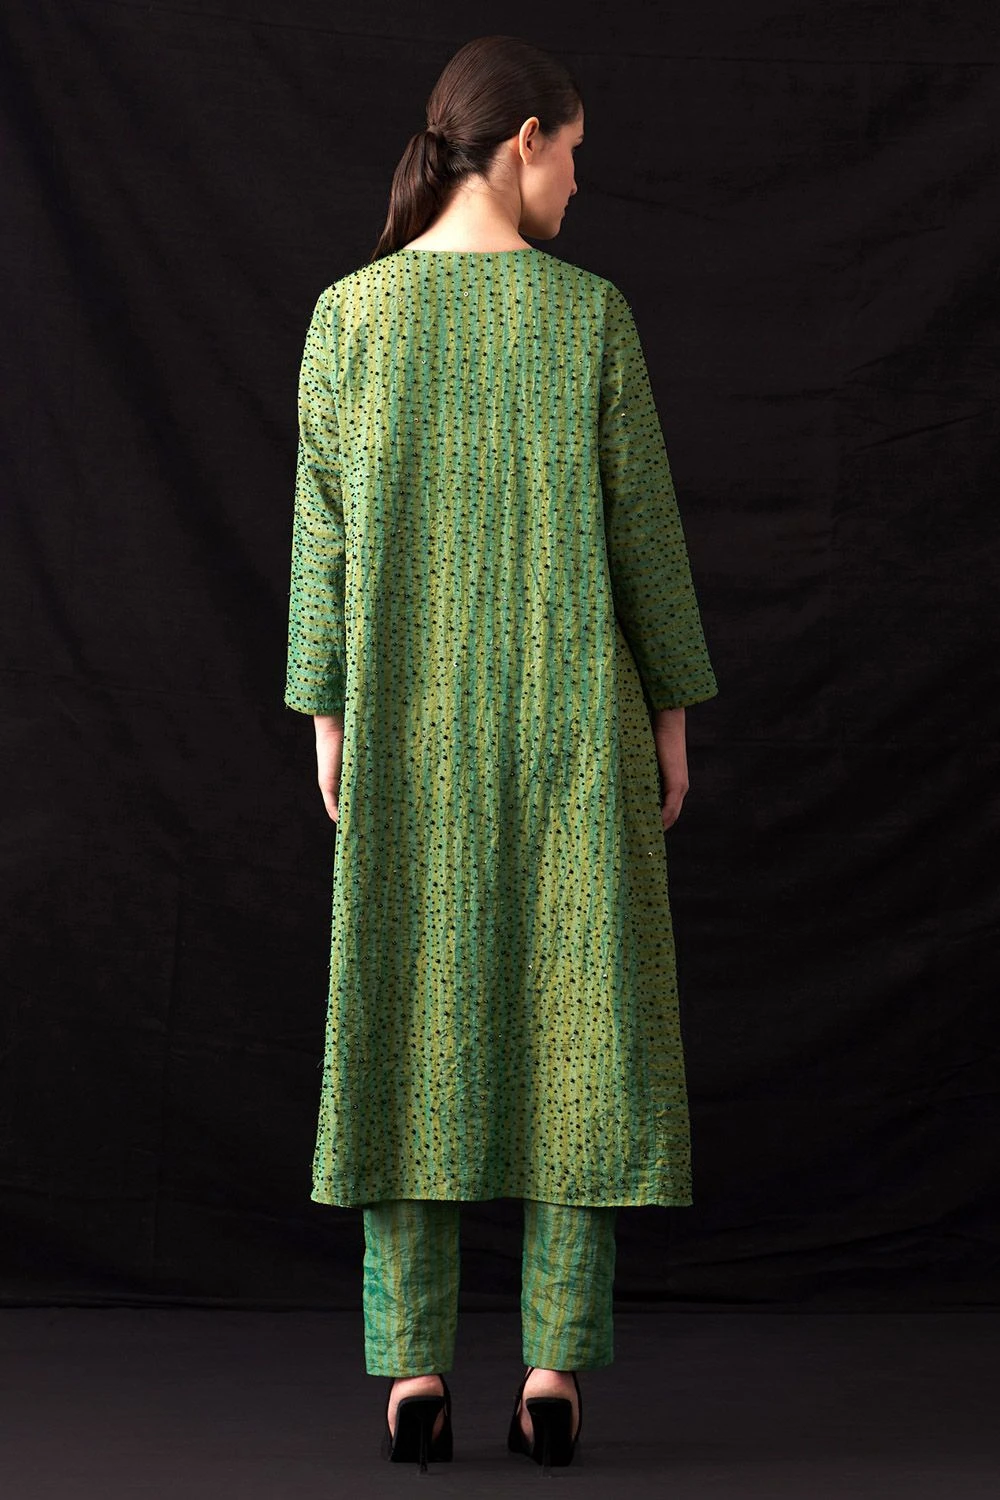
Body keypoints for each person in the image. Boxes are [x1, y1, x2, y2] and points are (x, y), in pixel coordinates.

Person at [284, 33, 718, 1473]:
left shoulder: (350, 318)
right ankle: (550, 1373)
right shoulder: (589, 317)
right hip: (571, 736)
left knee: (405, 1023)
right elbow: (644, 534)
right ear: (525, 140)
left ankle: (413, 1375)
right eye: (574, 157)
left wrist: (330, 716)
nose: (579, 187)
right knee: (582, 1036)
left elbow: (323, 539)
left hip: (408, 739)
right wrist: (671, 711)